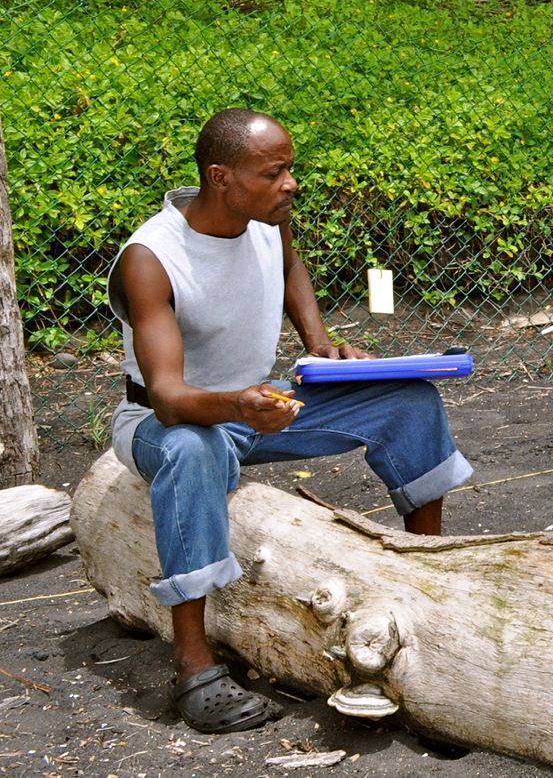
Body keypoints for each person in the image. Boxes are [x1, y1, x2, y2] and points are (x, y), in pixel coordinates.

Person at [108, 108, 473, 735]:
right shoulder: (152, 258)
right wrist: (239, 406)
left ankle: (425, 570)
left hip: (252, 405)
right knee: (193, 450)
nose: (290, 184)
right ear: (220, 177)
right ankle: (195, 667)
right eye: (274, 172)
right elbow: (167, 397)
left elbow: (287, 267)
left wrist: (321, 342)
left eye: (290, 170)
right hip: (160, 421)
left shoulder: (266, 223)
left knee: (407, 398)